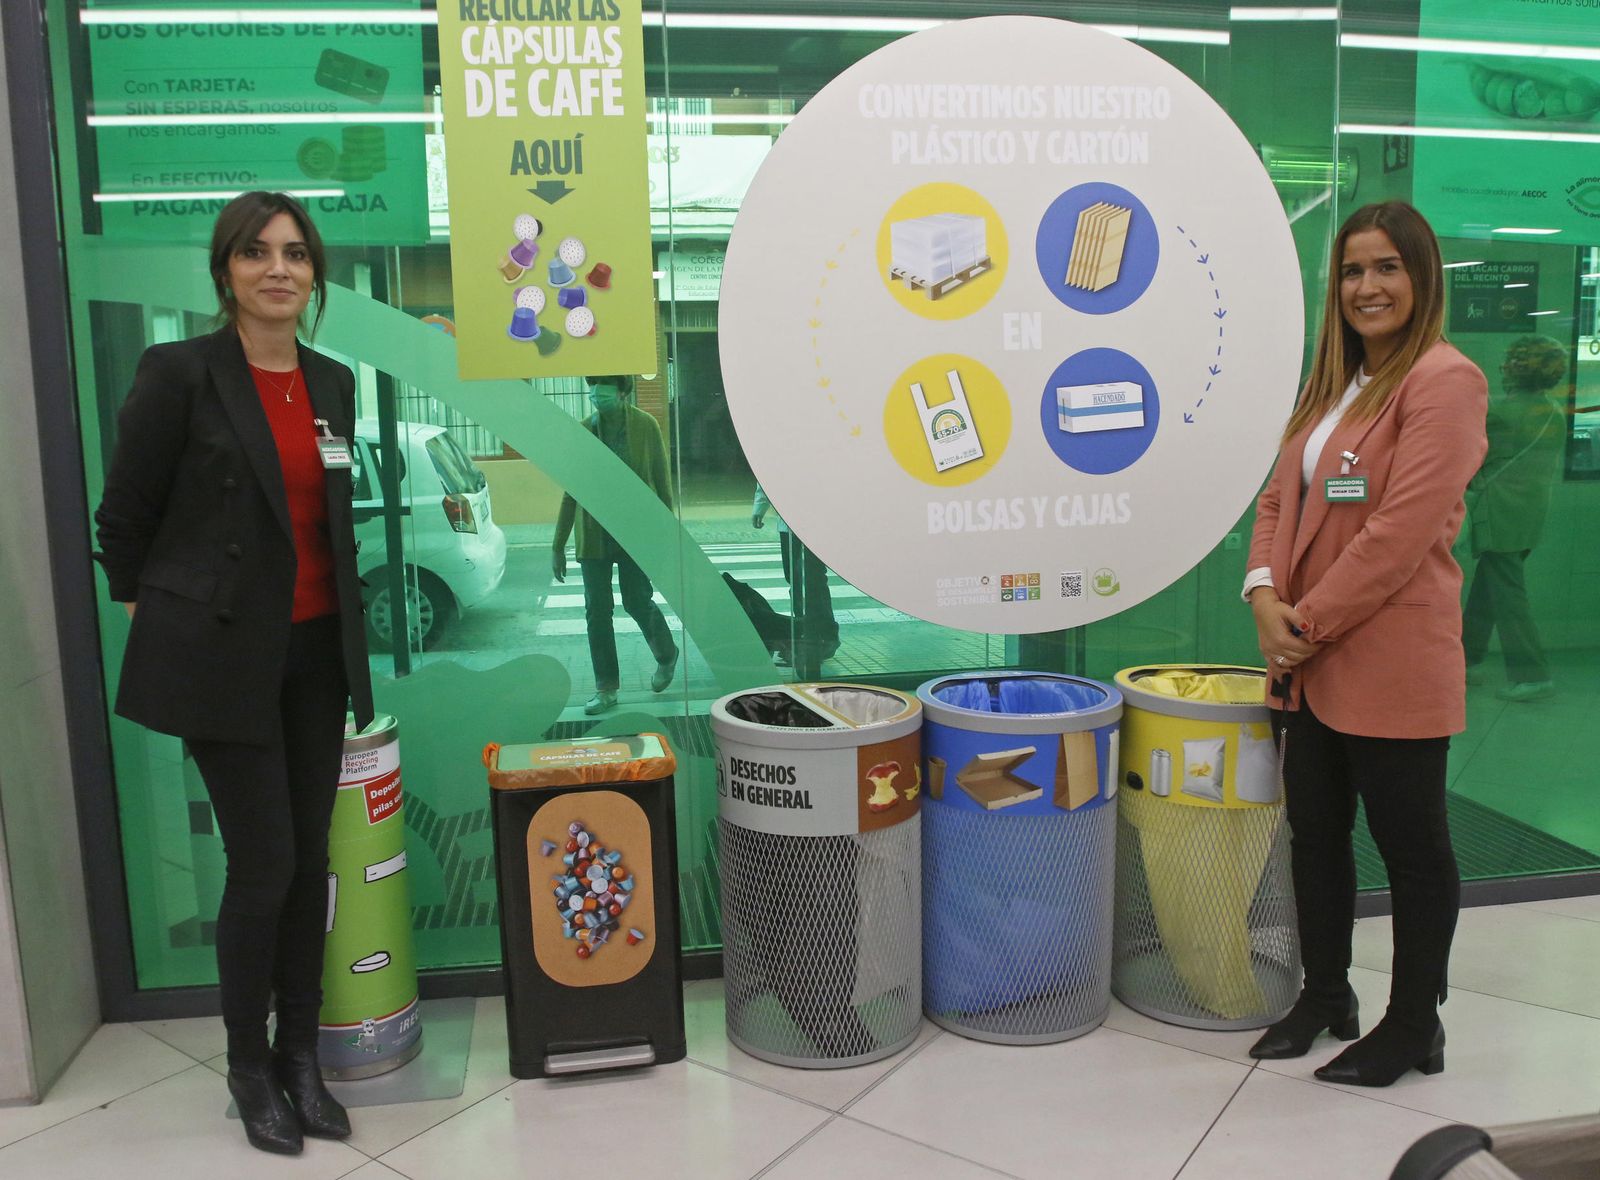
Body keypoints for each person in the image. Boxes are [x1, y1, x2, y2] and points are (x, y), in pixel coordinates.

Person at [94, 192, 374, 1153]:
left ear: (315, 275)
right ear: (226, 272)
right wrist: (164, 616)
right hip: (225, 657)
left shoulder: (334, 383)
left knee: (310, 864)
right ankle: (249, 1069)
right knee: (262, 868)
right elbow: (123, 519)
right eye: (256, 253)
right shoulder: (181, 373)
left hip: (314, 655)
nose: (278, 269)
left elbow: (328, 522)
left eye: (295, 254)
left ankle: (301, 1056)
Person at [1243, 201, 1487, 1087]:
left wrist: (1300, 626)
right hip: (1307, 663)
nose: (1367, 287)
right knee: (1316, 835)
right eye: (1352, 271)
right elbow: (1279, 502)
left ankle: (1415, 1024)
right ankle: (1326, 995)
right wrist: (1264, 594)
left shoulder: (1443, 381)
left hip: (1388, 660)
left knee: (1413, 848)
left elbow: (1398, 533)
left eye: (1386, 268)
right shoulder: (1332, 383)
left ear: (1421, 278)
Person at [551, 375, 679, 715]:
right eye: (593, 388)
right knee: (597, 612)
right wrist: (557, 544)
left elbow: (662, 483)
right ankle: (606, 688)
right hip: (594, 535)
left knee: (638, 601)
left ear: (623, 393)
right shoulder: (584, 429)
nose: (597, 394)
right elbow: (571, 490)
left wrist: (667, 535)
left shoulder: (645, 426)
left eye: (605, 388)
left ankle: (666, 654)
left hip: (636, 532)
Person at [1462, 335, 1568, 702]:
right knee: (1488, 591)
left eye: (1511, 361)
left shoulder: (1503, 413)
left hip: (1500, 516)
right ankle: (1466, 658)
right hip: (1528, 518)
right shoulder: (1552, 411)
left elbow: (1471, 457)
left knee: (1508, 596)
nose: (1505, 366)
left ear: (1519, 369)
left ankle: (1531, 674)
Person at [752, 483, 839, 676]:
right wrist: (760, 504)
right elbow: (768, 471)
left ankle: (816, 638)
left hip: (815, 518)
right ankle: (809, 637)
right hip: (789, 522)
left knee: (810, 578)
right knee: (795, 577)